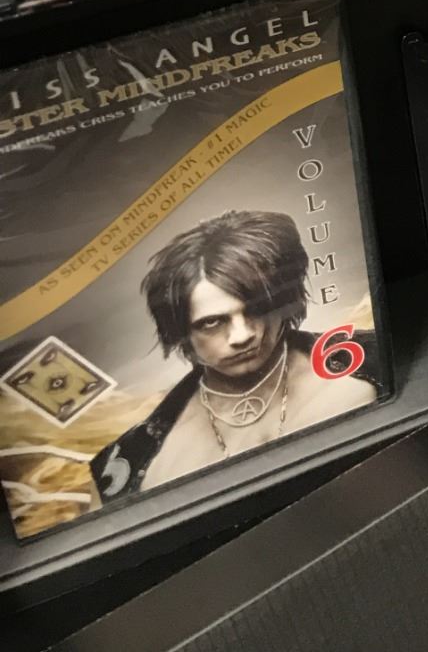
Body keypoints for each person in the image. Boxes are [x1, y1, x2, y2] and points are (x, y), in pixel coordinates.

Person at [91, 210, 377, 503]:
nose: (242, 336)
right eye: (212, 322)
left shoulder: (372, 361)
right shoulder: (132, 465)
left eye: (257, 308)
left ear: (285, 302)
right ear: (180, 332)